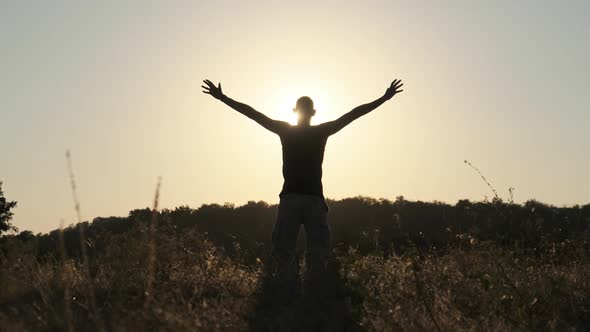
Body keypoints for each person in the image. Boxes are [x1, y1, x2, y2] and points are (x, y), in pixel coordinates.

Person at [201, 78, 404, 284]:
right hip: (313, 200)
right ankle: (314, 292)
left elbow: (253, 114)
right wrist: (384, 98)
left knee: (283, 253)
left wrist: (223, 98)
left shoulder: (285, 130)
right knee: (318, 253)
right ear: (313, 112)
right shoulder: (320, 131)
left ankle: (283, 291)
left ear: (294, 110)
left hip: (291, 199)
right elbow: (353, 114)